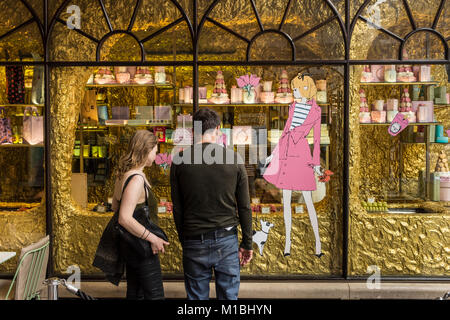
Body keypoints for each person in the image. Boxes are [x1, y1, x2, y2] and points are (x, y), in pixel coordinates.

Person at [170, 108, 253, 300]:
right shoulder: (234, 159)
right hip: (226, 239)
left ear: (193, 131)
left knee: (197, 299)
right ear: (218, 129)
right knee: (228, 298)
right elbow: (245, 207)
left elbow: (178, 208)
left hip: (193, 239)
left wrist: (185, 239)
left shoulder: (179, 161)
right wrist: (247, 243)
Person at [93, 130, 169, 300]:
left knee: (136, 294)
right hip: (142, 248)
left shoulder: (123, 174)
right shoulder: (136, 179)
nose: (156, 154)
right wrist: (153, 238)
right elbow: (124, 218)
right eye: (155, 150)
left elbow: (115, 206)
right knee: (154, 296)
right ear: (146, 150)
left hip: (131, 247)